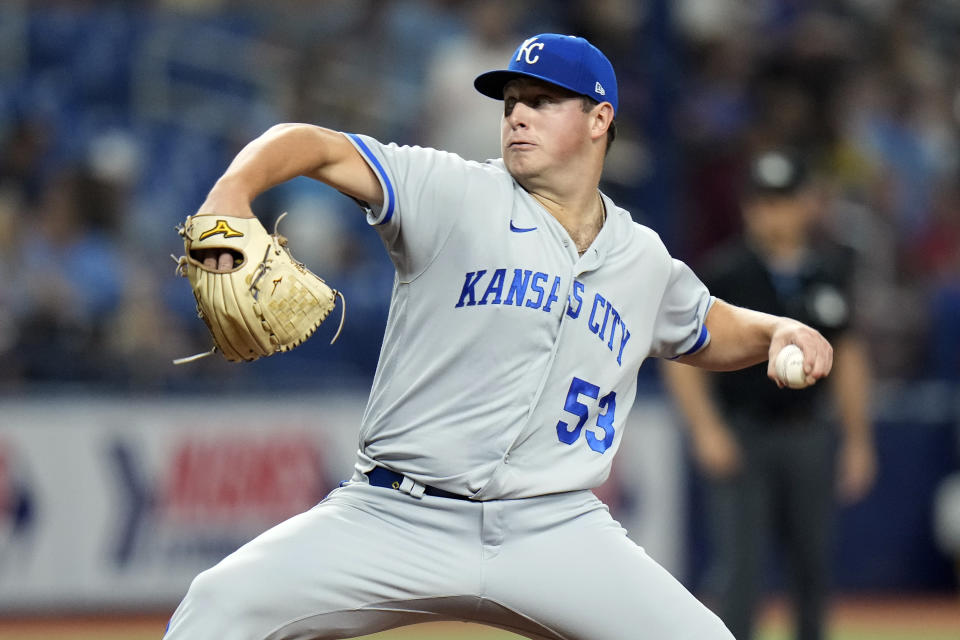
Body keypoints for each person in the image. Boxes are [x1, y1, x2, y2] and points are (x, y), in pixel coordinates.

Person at [164, 35, 834, 640]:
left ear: (600, 118)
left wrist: (779, 329)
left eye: (542, 101)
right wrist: (233, 189)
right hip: (395, 516)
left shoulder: (643, 258)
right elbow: (314, 143)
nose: (517, 114)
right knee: (219, 606)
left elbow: (706, 325)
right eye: (511, 100)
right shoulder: (451, 192)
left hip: (553, 529)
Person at [661, 149, 877, 640]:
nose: (771, 212)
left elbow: (850, 359)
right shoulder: (724, 271)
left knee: (813, 565)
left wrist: (859, 439)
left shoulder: (830, 271)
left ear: (807, 204)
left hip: (809, 435)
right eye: (763, 201)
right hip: (745, 432)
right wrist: (706, 429)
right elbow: (679, 356)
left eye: (783, 200)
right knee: (741, 568)